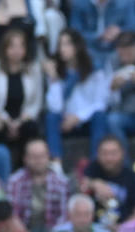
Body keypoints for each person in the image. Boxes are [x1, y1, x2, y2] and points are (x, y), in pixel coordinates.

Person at [0, 25, 45, 166]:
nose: (17, 51)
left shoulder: (34, 69)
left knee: (30, 128)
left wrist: (19, 121)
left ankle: (26, 168)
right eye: (12, 47)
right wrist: (6, 120)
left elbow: (36, 102)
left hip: (23, 118)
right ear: (5, 48)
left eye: (21, 47)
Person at [42, 29, 110, 164]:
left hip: (86, 119)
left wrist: (78, 117)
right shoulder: (56, 70)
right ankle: (56, 163)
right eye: (60, 45)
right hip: (65, 122)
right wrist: (54, 78)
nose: (62, 49)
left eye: (67, 44)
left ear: (78, 46)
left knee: (100, 116)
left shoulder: (94, 69)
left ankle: (97, 162)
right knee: (51, 117)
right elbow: (55, 107)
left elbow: (100, 102)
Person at [6, 138, 70, 232]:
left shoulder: (61, 182)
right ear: (25, 158)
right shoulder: (15, 181)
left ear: (48, 156)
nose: (38, 160)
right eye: (34, 157)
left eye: (42, 156)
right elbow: (13, 215)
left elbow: (64, 216)